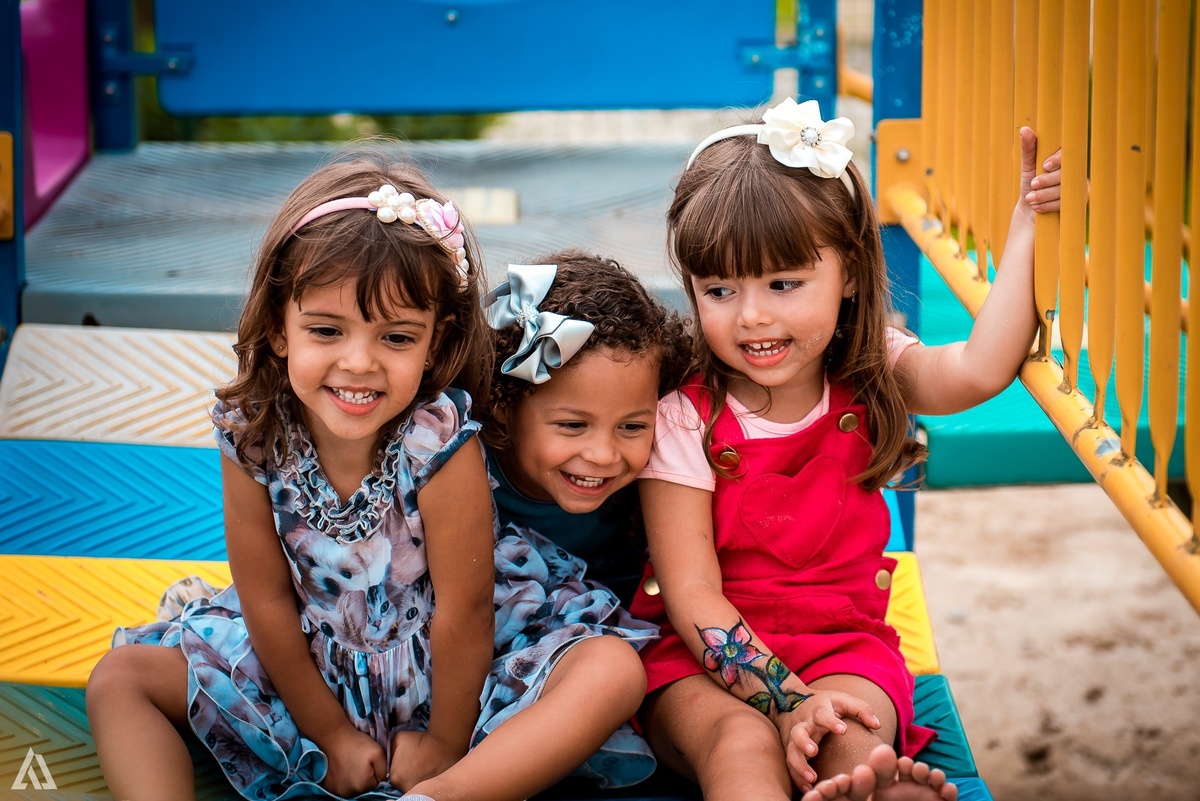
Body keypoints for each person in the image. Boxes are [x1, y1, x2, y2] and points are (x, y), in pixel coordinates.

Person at [86, 147, 585, 801]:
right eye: (327, 329)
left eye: (397, 338)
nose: (359, 363)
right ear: (278, 326)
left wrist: (444, 742)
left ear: (437, 340)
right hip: (305, 669)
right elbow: (263, 596)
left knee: (608, 673)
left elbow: (463, 612)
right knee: (119, 679)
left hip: (457, 676)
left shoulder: (437, 438)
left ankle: (452, 790)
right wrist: (328, 733)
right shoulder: (251, 430)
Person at [626, 99, 1063, 801]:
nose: (752, 314)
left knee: (857, 744)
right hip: (706, 663)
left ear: (851, 273)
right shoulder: (684, 417)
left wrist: (1025, 228)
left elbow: (980, 369)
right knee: (739, 751)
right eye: (720, 289)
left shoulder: (870, 371)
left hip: (841, 646)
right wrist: (784, 699)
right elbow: (693, 593)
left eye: (783, 282)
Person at [473, 250, 692, 789]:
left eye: (632, 427)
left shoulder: (651, 487)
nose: (602, 455)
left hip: (560, 673)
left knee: (617, 674)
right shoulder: (464, 468)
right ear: (503, 405)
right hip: (454, 656)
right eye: (573, 425)